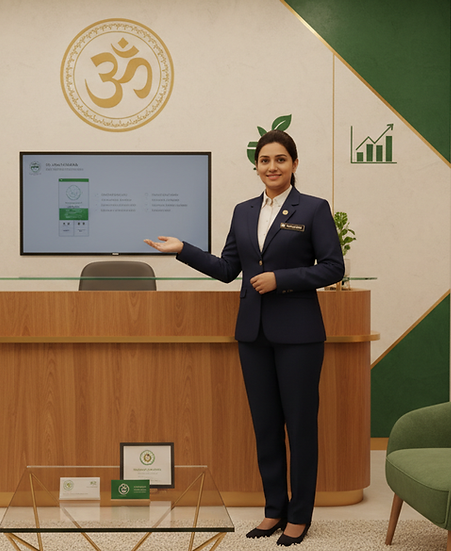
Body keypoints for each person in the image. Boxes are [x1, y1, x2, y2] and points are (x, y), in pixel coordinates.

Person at [144, 130, 344, 546]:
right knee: (266, 426)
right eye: (265, 160)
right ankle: (274, 509)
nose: (272, 167)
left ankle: (300, 516)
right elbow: (227, 268)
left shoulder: (314, 208)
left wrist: (282, 280)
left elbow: (332, 267)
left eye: (280, 160)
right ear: (256, 166)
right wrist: (184, 249)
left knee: (300, 427)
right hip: (253, 334)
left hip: (299, 336)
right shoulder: (243, 210)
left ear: (294, 164)